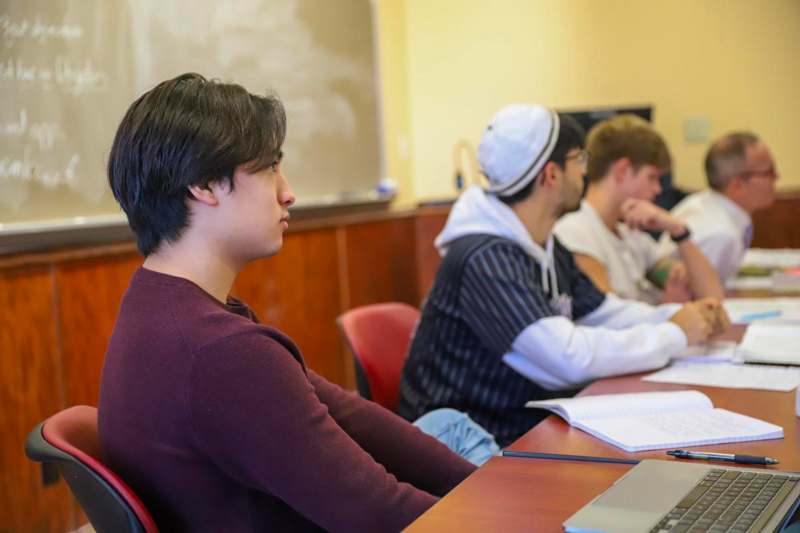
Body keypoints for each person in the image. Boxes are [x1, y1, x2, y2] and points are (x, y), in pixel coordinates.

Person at [98, 73, 496, 533]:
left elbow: (348, 413)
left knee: (447, 430)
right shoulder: (219, 352)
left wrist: (483, 486)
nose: (288, 193)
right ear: (204, 185)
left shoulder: (164, 305)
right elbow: (376, 513)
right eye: (269, 168)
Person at [398, 104, 729, 447]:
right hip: (470, 446)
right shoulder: (485, 257)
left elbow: (602, 312)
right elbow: (567, 358)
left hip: (524, 426)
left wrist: (679, 316)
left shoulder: (544, 243)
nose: (585, 172)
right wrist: (675, 333)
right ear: (550, 175)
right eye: (579, 160)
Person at [554, 114, 724, 304]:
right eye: (652, 177)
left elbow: (711, 295)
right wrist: (667, 311)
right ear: (623, 170)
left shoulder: (630, 234)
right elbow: (606, 319)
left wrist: (678, 231)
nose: (658, 189)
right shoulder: (576, 234)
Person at [658, 132, 779, 281]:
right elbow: (703, 298)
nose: (777, 177)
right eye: (769, 172)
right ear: (737, 184)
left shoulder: (705, 202)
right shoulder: (720, 234)